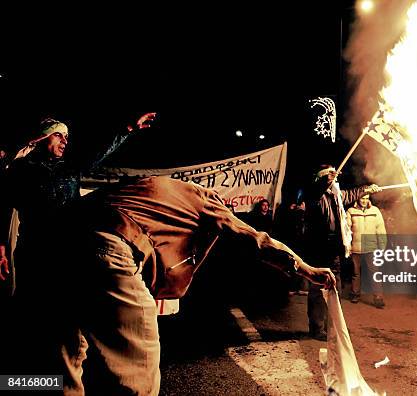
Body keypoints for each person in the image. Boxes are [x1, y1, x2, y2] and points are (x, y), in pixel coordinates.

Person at [42, 176, 335, 395]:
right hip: (112, 249)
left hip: (56, 251)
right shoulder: (203, 198)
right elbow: (255, 240)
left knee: (65, 359)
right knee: (138, 373)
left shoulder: (140, 188)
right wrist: (305, 268)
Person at [0, 114, 156, 293]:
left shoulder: (70, 168)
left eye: (67, 137)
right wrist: (1, 250)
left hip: (70, 251)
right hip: (35, 252)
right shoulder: (20, 170)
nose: (65, 141)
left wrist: (127, 129)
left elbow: (99, 152)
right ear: (42, 137)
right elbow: (4, 207)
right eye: (58, 135)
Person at [303, 164, 380, 340]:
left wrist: (368, 188)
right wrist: (325, 179)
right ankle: (316, 328)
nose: (334, 177)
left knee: (334, 289)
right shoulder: (315, 195)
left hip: (334, 249)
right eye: (330, 175)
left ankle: (332, 327)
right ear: (322, 177)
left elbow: (352, 194)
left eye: (334, 174)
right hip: (318, 249)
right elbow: (316, 189)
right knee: (317, 290)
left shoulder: (337, 195)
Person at [346, 194, 387, 308]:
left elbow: (380, 228)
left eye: (366, 198)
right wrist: (347, 246)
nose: (364, 201)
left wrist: (382, 246)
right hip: (356, 248)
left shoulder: (375, 211)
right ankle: (355, 294)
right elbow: (347, 231)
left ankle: (378, 298)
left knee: (374, 273)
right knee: (356, 273)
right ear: (357, 199)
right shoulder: (351, 211)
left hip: (371, 247)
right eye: (362, 198)